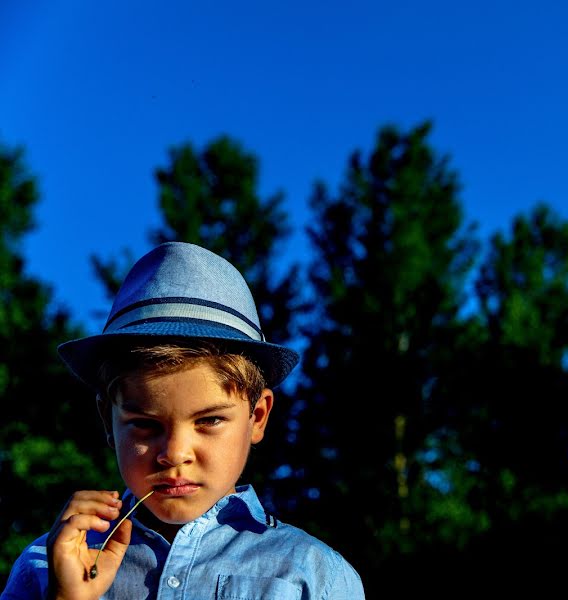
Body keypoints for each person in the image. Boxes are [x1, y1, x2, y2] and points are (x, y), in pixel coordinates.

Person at [1, 242, 365, 600]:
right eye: (145, 424)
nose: (174, 454)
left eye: (209, 420)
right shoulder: (46, 568)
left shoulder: (314, 576)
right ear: (107, 420)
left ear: (257, 416)